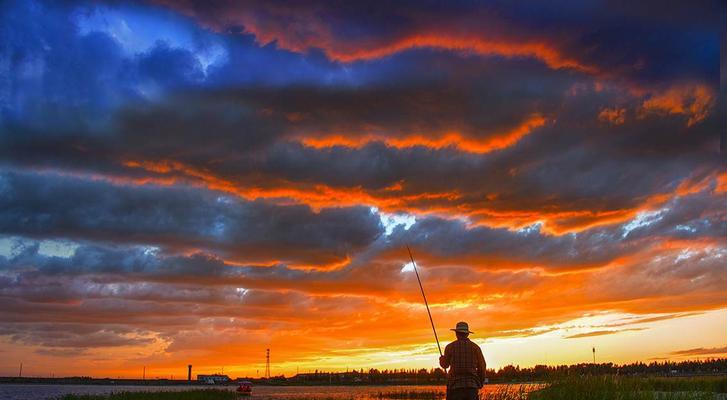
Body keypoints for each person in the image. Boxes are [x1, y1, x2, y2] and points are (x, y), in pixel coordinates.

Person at [439, 321, 486, 400]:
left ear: (456, 333)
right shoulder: (476, 348)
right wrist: (480, 383)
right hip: (472, 388)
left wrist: (441, 360)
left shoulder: (449, 347)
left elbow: (445, 365)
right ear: (467, 334)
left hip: (454, 387)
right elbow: (482, 367)